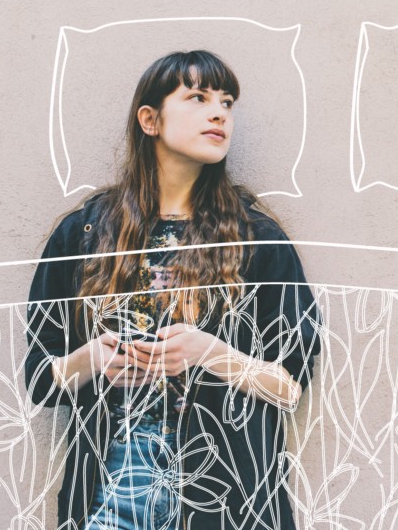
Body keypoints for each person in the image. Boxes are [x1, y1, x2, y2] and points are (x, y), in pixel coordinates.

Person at [24, 50, 323, 530]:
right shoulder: (82, 236)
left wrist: (209, 351)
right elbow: (41, 380)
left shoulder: (257, 240)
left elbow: (289, 386)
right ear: (150, 119)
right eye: (198, 97)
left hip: (223, 498)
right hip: (111, 496)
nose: (219, 112)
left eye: (227, 101)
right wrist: (91, 359)